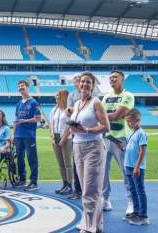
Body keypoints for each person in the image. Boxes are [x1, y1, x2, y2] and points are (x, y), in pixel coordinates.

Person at [69, 72, 110, 233]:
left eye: (88, 82)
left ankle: (88, 228)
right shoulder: (78, 103)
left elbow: (106, 126)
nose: (85, 84)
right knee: (87, 189)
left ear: (92, 86)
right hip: (77, 146)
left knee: (90, 190)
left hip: (93, 147)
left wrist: (86, 129)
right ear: (79, 85)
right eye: (83, 82)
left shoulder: (96, 102)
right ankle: (96, 226)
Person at [101, 70, 135, 213]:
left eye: (115, 77)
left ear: (122, 79)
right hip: (105, 137)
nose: (112, 79)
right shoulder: (106, 97)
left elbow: (117, 115)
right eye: (110, 78)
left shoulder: (127, 95)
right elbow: (103, 116)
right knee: (103, 171)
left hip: (121, 139)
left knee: (126, 171)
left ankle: (132, 201)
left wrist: (102, 116)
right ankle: (105, 199)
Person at [13, 80, 42, 191]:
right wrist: (14, 135)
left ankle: (34, 182)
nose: (21, 88)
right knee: (19, 158)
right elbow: (16, 120)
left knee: (32, 159)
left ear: (27, 87)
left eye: (22, 86)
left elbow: (38, 118)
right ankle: (22, 179)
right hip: (18, 135)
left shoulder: (33, 102)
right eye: (19, 86)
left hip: (29, 135)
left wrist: (24, 121)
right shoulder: (18, 103)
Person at [123, 108, 150, 226]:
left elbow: (142, 151)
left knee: (140, 190)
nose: (129, 124)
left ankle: (143, 215)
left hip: (135, 167)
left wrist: (137, 167)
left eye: (131, 121)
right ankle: (136, 211)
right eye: (127, 121)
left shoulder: (141, 133)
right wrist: (122, 147)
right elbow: (130, 148)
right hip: (128, 165)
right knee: (133, 190)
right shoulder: (131, 133)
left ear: (138, 120)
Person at [50, 90, 73, 195]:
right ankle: (64, 184)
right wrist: (51, 136)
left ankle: (69, 185)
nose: (56, 98)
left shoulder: (68, 110)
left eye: (58, 96)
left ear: (63, 97)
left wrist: (64, 137)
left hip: (67, 139)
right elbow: (51, 124)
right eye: (55, 96)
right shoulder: (54, 110)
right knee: (60, 164)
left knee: (67, 163)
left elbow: (70, 125)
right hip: (55, 138)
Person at [66, 75, 83, 200]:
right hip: (76, 133)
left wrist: (75, 110)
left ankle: (86, 190)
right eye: (75, 80)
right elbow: (68, 112)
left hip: (90, 133)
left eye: (79, 79)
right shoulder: (71, 95)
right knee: (76, 162)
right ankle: (77, 189)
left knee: (89, 165)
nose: (77, 82)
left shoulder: (92, 92)